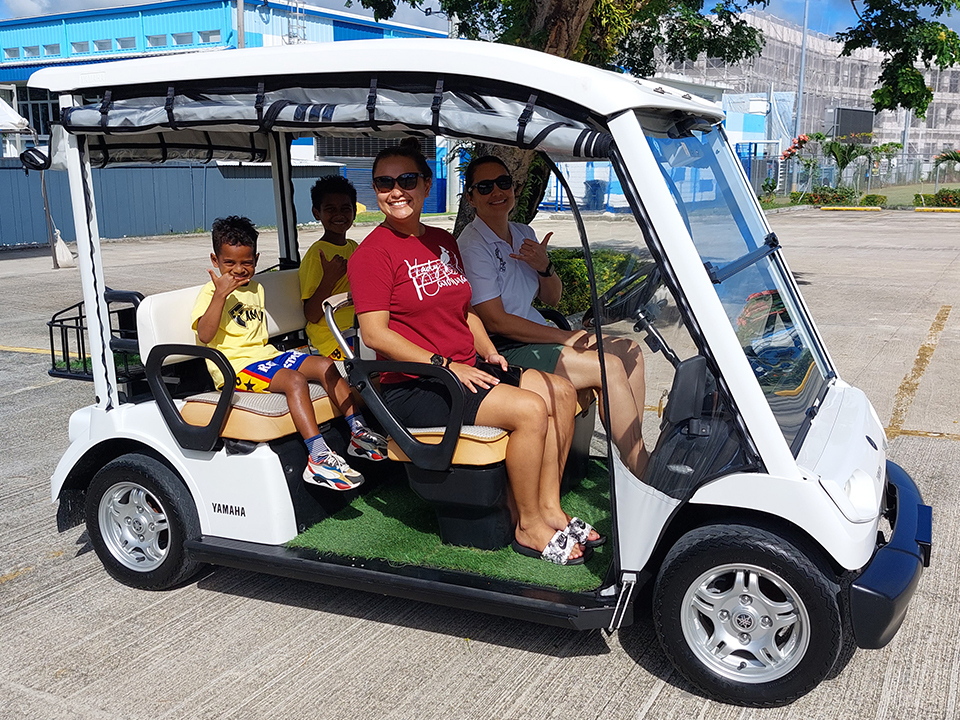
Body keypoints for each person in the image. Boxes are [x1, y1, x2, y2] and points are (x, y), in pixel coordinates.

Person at [347, 139, 601, 566]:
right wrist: (446, 365)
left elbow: (464, 311)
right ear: (373, 190)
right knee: (530, 410)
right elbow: (375, 335)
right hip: (417, 383)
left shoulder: (442, 242)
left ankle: (550, 510)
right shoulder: (373, 254)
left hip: (464, 368)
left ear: (426, 185)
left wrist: (487, 351)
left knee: (559, 392)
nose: (396, 191)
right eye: (385, 182)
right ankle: (529, 525)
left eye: (407, 180)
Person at [457, 155, 649, 477]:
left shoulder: (523, 232)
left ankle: (630, 459)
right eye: (485, 187)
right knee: (609, 365)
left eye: (504, 183)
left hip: (539, 335)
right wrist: (566, 336)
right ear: (471, 198)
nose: (497, 192)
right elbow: (495, 321)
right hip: (505, 347)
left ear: (515, 188)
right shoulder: (473, 244)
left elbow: (552, 298)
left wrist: (544, 266)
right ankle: (643, 470)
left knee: (632, 354)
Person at [191, 216, 387, 491]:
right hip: (234, 368)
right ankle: (318, 456)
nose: (238, 270)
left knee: (324, 365)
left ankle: (358, 430)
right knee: (295, 381)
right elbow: (205, 334)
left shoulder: (257, 287)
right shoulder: (211, 291)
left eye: (246, 263)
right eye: (229, 263)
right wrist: (219, 296)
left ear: (256, 259)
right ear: (215, 260)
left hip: (266, 356)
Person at [300, 175, 360, 359]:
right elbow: (311, 314)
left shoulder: (354, 247)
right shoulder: (317, 254)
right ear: (317, 213)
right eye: (330, 209)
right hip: (331, 336)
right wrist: (329, 278)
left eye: (345, 208)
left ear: (354, 211)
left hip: (357, 328)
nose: (339, 215)